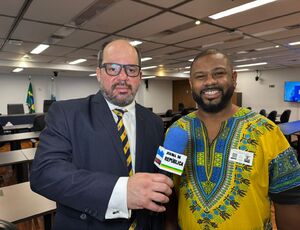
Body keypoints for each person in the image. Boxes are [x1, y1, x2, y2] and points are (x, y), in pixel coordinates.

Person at [30, 39, 173, 230]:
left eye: (131, 69)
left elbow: (158, 174)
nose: (123, 77)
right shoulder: (66, 113)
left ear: (140, 75)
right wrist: (122, 192)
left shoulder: (154, 122)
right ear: (98, 73)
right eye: (113, 68)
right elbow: (44, 174)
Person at [166, 49, 300, 230]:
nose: (210, 81)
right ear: (191, 83)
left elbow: (289, 198)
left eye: (219, 73)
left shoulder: (266, 131)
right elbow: (168, 191)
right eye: (200, 76)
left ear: (234, 78)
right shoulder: (176, 131)